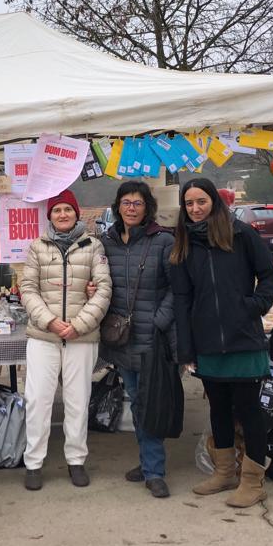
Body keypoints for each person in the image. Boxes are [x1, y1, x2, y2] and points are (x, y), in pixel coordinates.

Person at [170, 177, 273, 508]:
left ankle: (252, 481)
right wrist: (186, 348)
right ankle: (224, 472)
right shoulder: (184, 244)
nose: (195, 208)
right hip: (206, 341)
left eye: (200, 201)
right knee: (217, 408)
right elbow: (181, 299)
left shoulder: (241, 233)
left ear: (214, 202)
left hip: (243, 338)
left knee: (248, 411)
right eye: (189, 204)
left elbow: (270, 275)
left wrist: (253, 306)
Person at [19, 188, 111, 491]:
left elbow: (103, 290)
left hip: (81, 337)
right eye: (57, 210)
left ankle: (76, 459)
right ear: (50, 215)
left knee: (77, 400)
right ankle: (33, 462)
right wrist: (50, 322)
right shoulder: (37, 247)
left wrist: (79, 325)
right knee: (37, 400)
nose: (62, 215)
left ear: (76, 213)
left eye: (67, 210)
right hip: (44, 336)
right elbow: (28, 288)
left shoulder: (93, 246)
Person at [99, 181, 176, 498]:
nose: (131, 208)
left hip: (152, 339)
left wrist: (159, 320)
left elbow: (177, 288)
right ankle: (148, 462)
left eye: (137, 203)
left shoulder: (164, 241)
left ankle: (155, 471)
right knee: (137, 400)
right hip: (122, 338)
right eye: (126, 202)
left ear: (148, 208)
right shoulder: (107, 243)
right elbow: (99, 280)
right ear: (117, 206)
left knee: (149, 404)